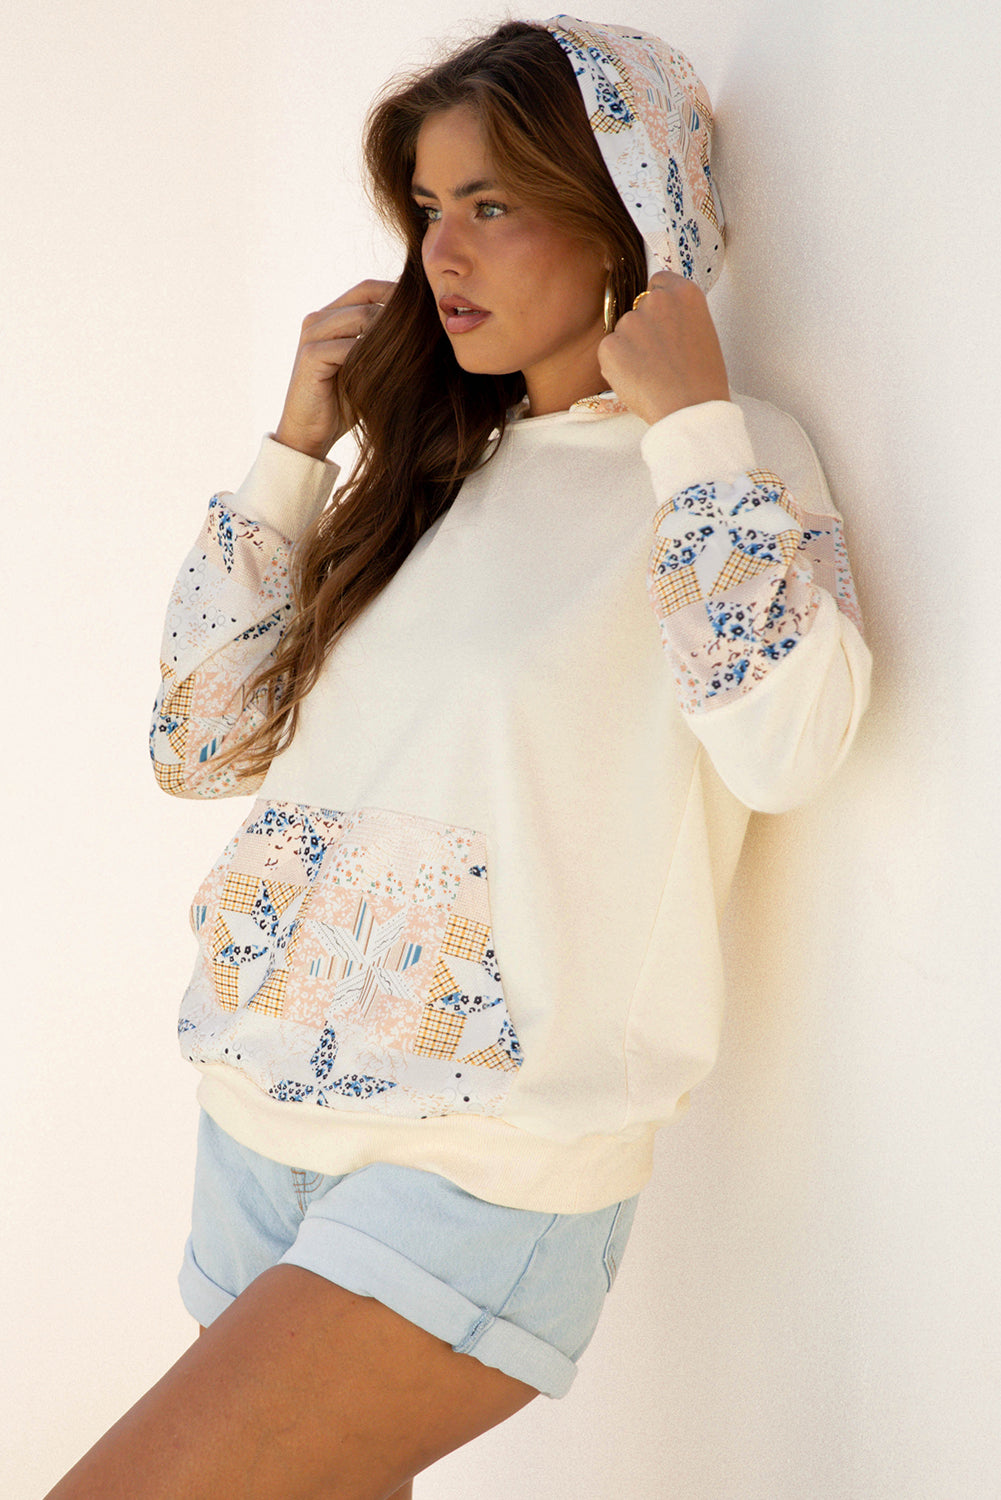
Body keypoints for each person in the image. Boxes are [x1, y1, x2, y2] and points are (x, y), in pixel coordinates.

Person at [47, 15, 871, 1500]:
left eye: (491, 204)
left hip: (486, 1156)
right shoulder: (432, 477)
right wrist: (298, 447)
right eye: (428, 209)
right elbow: (200, 741)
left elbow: (786, 748)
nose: (443, 254)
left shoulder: (723, 462)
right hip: (256, 1120)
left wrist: (693, 422)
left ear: (622, 209)